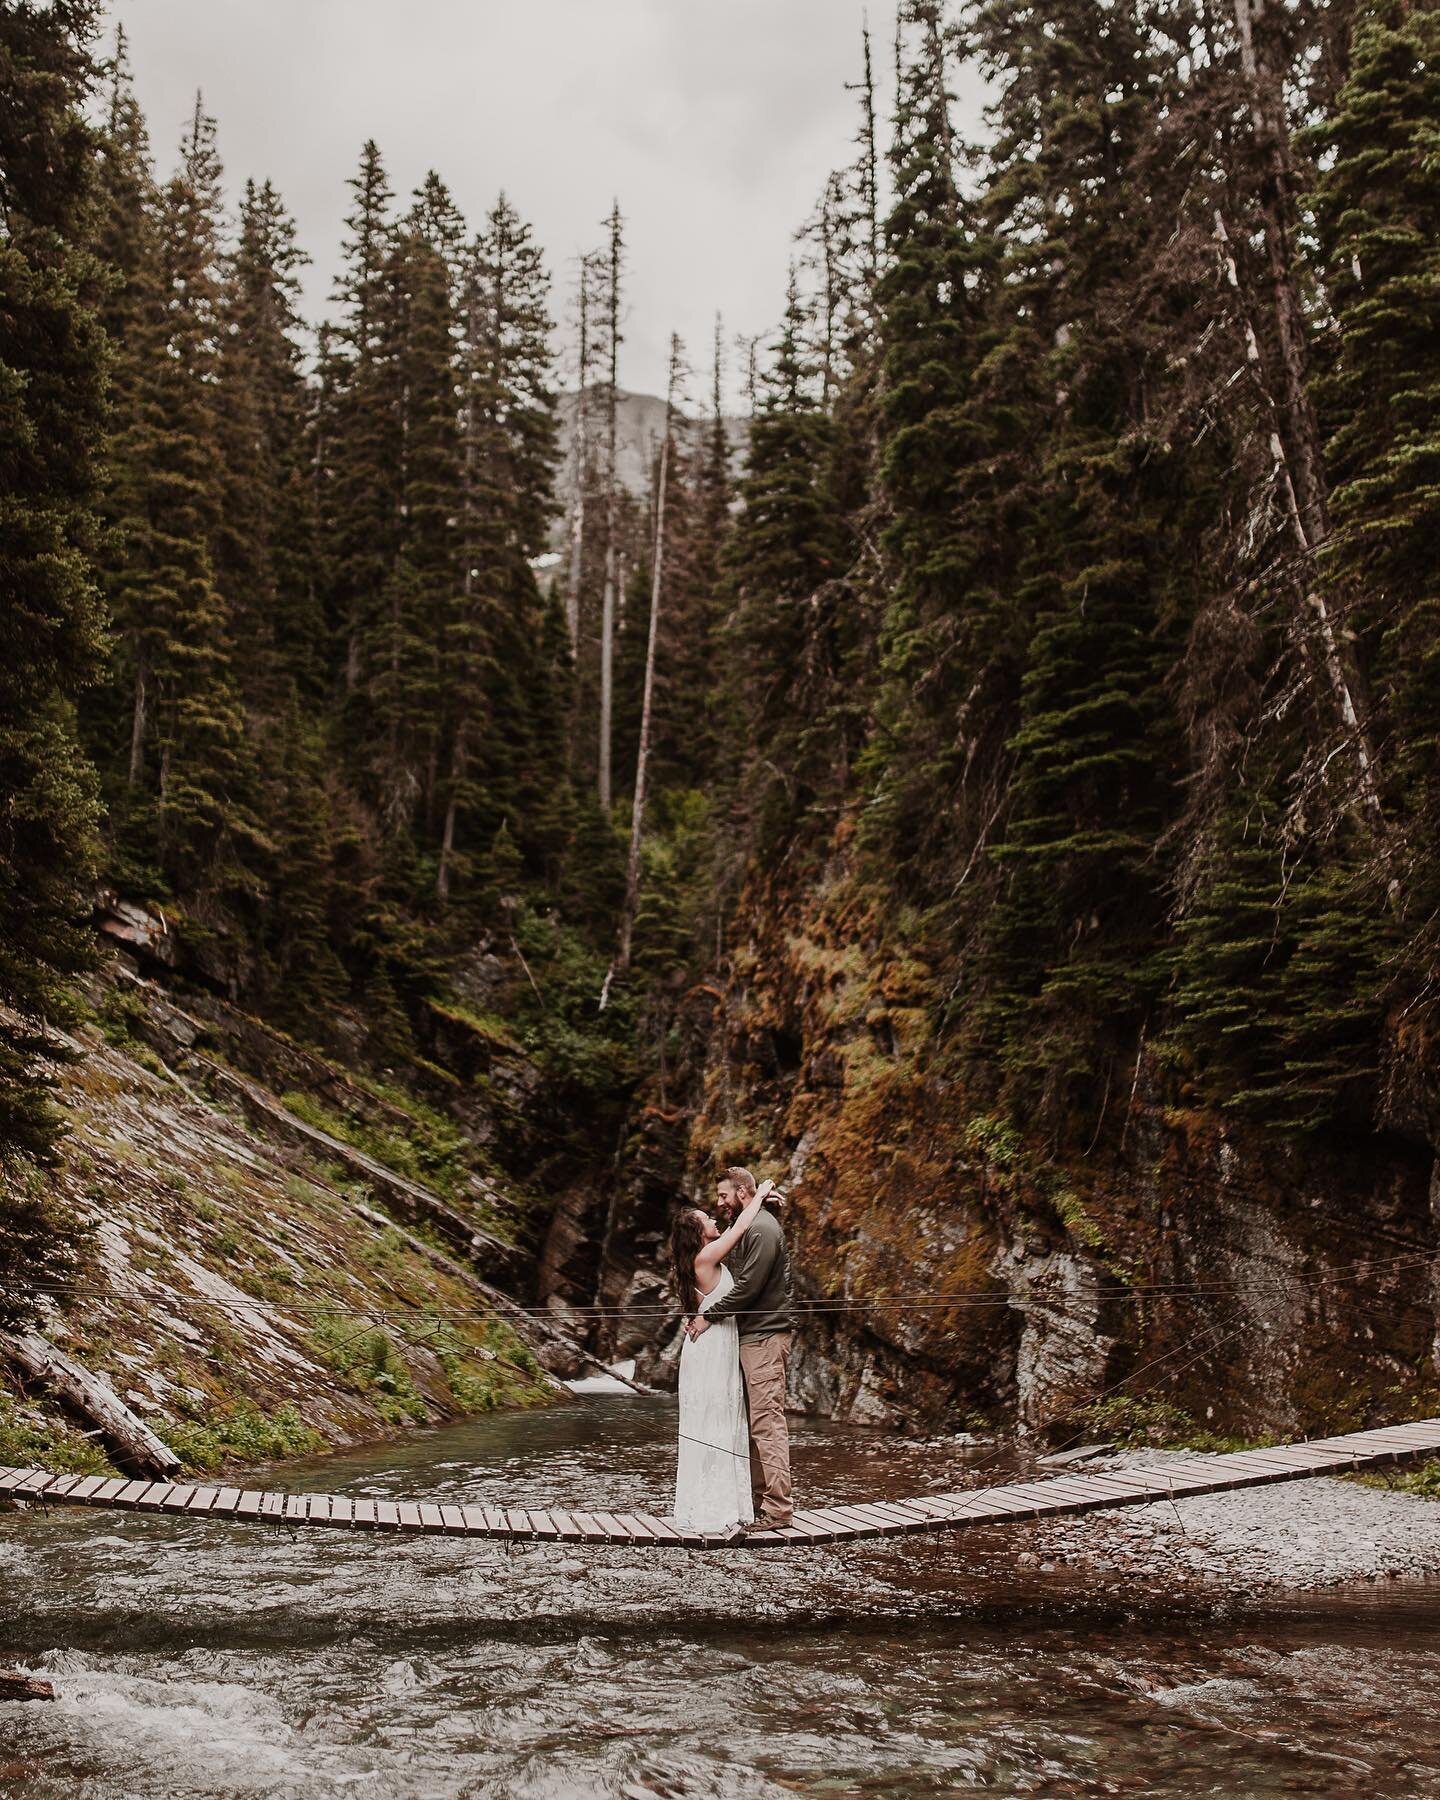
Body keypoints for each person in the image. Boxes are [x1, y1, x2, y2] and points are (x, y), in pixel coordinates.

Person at [685, 1166, 795, 1531]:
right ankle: (759, 1502)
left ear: (742, 1193)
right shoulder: (753, 1225)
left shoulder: (761, 1228)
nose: (719, 1203)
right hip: (749, 1339)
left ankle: (778, 1510)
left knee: (767, 1425)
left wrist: (708, 1315)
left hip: (765, 1338)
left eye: (723, 1195)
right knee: (753, 1425)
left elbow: (748, 1286)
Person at [669, 1175, 774, 1533]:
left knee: (714, 1420)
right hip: (712, 1349)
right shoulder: (706, 1256)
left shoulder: (695, 1261)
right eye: (707, 1219)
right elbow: (741, 1227)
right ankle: (715, 1509)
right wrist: (759, 1192)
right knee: (717, 1421)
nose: (714, 1219)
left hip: (710, 1346)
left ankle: (714, 1502)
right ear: (699, 1233)